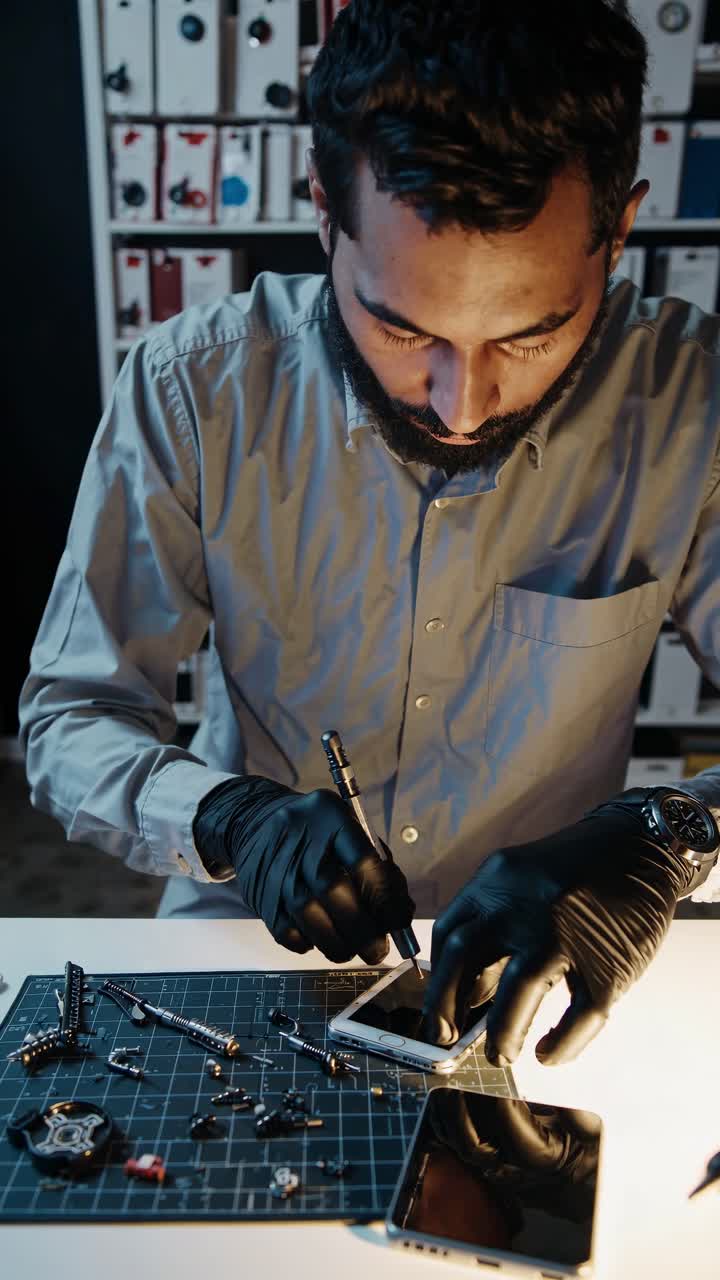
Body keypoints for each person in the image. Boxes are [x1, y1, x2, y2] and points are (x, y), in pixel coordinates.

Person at [18, 1, 720, 1069]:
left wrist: (665, 834)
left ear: (618, 231)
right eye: (402, 327)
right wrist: (229, 820)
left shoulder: (695, 404)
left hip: (551, 959)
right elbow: (70, 714)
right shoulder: (196, 387)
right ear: (323, 210)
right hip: (248, 937)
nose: (465, 403)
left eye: (531, 333)